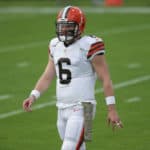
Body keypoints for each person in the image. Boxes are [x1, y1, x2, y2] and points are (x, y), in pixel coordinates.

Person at [23, 5, 123, 150]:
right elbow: (48, 75)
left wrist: (112, 109)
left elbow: (105, 78)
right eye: (61, 26)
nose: (63, 30)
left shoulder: (90, 45)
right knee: (77, 147)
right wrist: (33, 95)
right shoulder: (54, 45)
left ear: (79, 26)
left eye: (68, 26)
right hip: (62, 108)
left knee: (69, 147)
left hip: (84, 107)